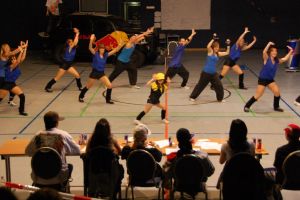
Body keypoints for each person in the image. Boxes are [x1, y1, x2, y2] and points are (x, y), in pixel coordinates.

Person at [25, 111, 80, 186]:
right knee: (69, 166)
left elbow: (28, 152)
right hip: (58, 178)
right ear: (57, 123)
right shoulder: (63, 134)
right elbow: (77, 150)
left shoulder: (37, 135)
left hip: (39, 177)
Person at [163, 128, 215, 198]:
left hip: (179, 186)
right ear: (190, 141)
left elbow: (166, 174)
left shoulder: (172, 159)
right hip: (197, 186)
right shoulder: (202, 157)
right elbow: (210, 171)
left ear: (178, 141)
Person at [244, 42, 293, 112]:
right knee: (258, 95)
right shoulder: (267, 59)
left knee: (277, 92)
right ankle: (247, 106)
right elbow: (264, 51)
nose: (275, 52)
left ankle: (276, 107)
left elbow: (285, 59)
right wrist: (269, 44)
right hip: (263, 79)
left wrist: (291, 51)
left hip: (270, 80)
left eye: (276, 51)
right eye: (273, 51)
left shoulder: (276, 61)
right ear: (270, 53)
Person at [107, 27, 154, 98]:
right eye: (133, 37)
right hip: (121, 62)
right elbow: (139, 37)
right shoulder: (128, 43)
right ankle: (107, 84)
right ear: (130, 39)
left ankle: (133, 84)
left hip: (127, 61)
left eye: (135, 37)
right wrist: (144, 33)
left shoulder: (134, 43)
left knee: (133, 70)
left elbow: (140, 38)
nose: (135, 37)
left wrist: (147, 32)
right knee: (115, 74)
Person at [78, 34, 124, 104]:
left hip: (101, 73)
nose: (102, 50)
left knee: (109, 86)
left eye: (103, 49)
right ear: (99, 49)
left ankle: (108, 100)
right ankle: (81, 96)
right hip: (94, 73)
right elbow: (90, 48)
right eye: (101, 49)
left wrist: (120, 45)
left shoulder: (105, 55)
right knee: (88, 86)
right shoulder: (95, 54)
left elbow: (115, 50)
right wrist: (91, 40)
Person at [85, 118, 124, 198]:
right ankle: (114, 192)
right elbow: (120, 152)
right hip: (109, 171)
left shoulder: (92, 139)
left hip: (94, 170)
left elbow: (87, 153)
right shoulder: (111, 138)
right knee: (121, 169)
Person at [189, 35, 230, 102]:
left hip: (213, 74)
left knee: (219, 85)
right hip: (206, 73)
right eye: (216, 47)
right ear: (213, 47)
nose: (217, 48)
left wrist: (228, 45)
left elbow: (227, 52)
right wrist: (213, 39)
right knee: (200, 86)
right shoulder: (210, 52)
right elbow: (208, 46)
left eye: (218, 47)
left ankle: (220, 98)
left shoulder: (218, 54)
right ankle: (192, 97)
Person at [44, 28, 82, 92]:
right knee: (57, 78)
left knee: (77, 75)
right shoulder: (69, 48)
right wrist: (77, 33)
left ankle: (80, 87)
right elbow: (75, 42)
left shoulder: (73, 48)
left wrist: (77, 34)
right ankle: (47, 87)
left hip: (69, 64)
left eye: (72, 41)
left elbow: (76, 42)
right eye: (71, 41)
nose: (72, 42)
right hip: (64, 64)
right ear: (69, 43)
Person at [0, 41, 28, 115]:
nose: (8, 48)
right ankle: (11, 100)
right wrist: (21, 49)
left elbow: (21, 59)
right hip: (5, 83)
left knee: (22, 96)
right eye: (7, 47)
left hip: (11, 83)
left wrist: (24, 49)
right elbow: (17, 60)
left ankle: (21, 111)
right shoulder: (10, 65)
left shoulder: (10, 61)